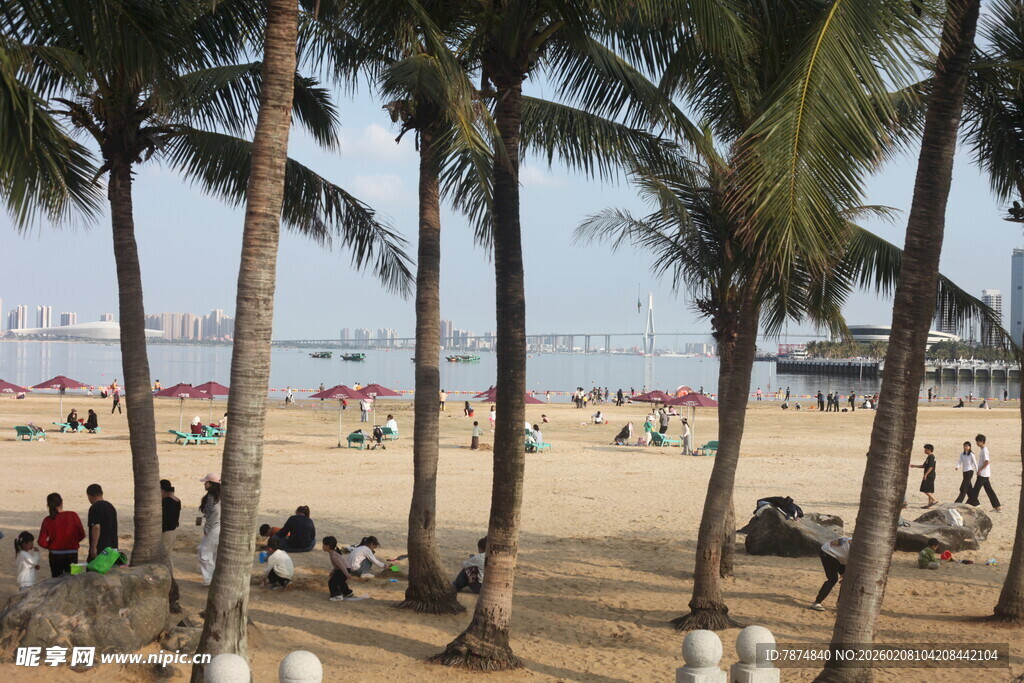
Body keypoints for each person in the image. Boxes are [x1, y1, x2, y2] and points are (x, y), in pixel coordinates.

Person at [38, 493, 85, 577]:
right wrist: (72, 542)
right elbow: (82, 534)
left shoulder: (48, 520)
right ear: (61, 502)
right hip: (72, 553)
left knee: (56, 580)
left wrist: (51, 545)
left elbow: (41, 541)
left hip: (55, 554)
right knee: (74, 579)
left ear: (48, 505)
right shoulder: (73, 515)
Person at [811, 536, 851, 611]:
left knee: (847, 580)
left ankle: (840, 603)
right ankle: (817, 603)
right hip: (828, 552)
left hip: (839, 555)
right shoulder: (858, 550)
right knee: (833, 579)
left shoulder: (859, 543)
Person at [322, 537, 365, 601]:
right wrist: (333, 571)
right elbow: (337, 565)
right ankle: (347, 592)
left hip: (344, 570)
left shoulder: (334, 555)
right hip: (343, 569)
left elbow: (341, 565)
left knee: (332, 582)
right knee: (340, 581)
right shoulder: (333, 552)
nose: (322, 546)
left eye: (324, 545)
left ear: (328, 546)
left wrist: (346, 574)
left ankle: (337, 595)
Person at [198, 473, 221, 586]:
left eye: (206, 482)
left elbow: (215, 512)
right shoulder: (221, 495)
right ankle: (214, 578)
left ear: (211, 484)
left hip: (214, 528)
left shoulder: (212, 497)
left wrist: (207, 527)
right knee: (215, 554)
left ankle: (208, 579)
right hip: (221, 527)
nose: (204, 484)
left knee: (204, 553)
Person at [970, 434, 1001, 512]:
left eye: (977, 441)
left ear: (982, 442)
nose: (976, 443)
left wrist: (980, 470)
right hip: (985, 474)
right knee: (989, 490)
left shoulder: (984, 450)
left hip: (983, 474)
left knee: (975, 490)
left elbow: (987, 462)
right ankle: (997, 507)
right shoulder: (982, 450)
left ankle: (971, 504)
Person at [86, 484, 117, 561]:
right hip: (112, 547)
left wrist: (93, 547)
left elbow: (96, 527)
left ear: (89, 496)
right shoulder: (110, 506)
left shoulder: (94, 508)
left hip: (100, 547)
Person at [161, 479, 181, 561]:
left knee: (165, 556)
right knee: (168, 556)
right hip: (172, 531)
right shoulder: (176, 500)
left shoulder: (167, 501)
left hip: (166, 531)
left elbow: (166, 518)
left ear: (162, 490)